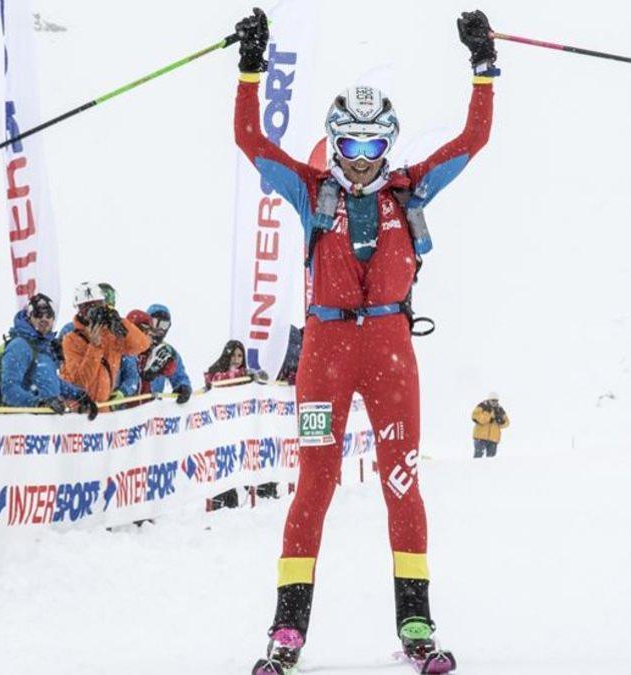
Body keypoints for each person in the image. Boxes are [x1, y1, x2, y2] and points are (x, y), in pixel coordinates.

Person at [234, 8, 497, 672]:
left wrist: (484, 66)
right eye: (347, 146)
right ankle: (286, 630)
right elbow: (248, 139)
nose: (358, 161)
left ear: (388, 145)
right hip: (324, 356)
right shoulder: (309, 189)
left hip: (389, 353)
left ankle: (417, 625)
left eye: (371, 147)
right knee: (314, 484)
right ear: (332, 143)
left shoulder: (411, 189)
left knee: (402, 481)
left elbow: (474, 137)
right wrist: (250, 66)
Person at [0, 293, 98, 417]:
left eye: (49, 315)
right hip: (25, 427)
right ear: (29, 317)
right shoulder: (19, 346)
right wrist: (39, 403)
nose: (44, 319)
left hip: (46, 427)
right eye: (38, 314)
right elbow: (9, 390)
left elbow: (49, 379)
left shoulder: (44, 346)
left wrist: (79, 395)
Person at [60, 282, 150, 406]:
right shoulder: (71, 337)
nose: (93, 311)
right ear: (79, 310)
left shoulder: (111, 333)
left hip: (102, 407)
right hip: (78, 409)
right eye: (87, 308)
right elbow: (80, 381)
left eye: (97, 306)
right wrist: (94, 347)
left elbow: (142, 345)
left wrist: (121, 323)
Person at [138, 304, 192, 404]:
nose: (160, 329)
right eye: (155, 323)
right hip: (129, 406)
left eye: (164, 325)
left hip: (152, 408)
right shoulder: (136, 345)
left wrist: (183, 386)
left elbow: (179, 375)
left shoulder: (168, 352)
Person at [471, 393, 508, 457]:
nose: (495, 402)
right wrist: (488, 415)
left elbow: (506, 423)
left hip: (493, 439)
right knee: (478, 459)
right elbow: (476, 417)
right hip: (480, 437)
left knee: (491, 461)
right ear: (489, 400)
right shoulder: (482, 406)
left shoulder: (499, 409)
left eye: (496, 401)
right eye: (493, 400)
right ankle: (476, 467)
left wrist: (501, 421)